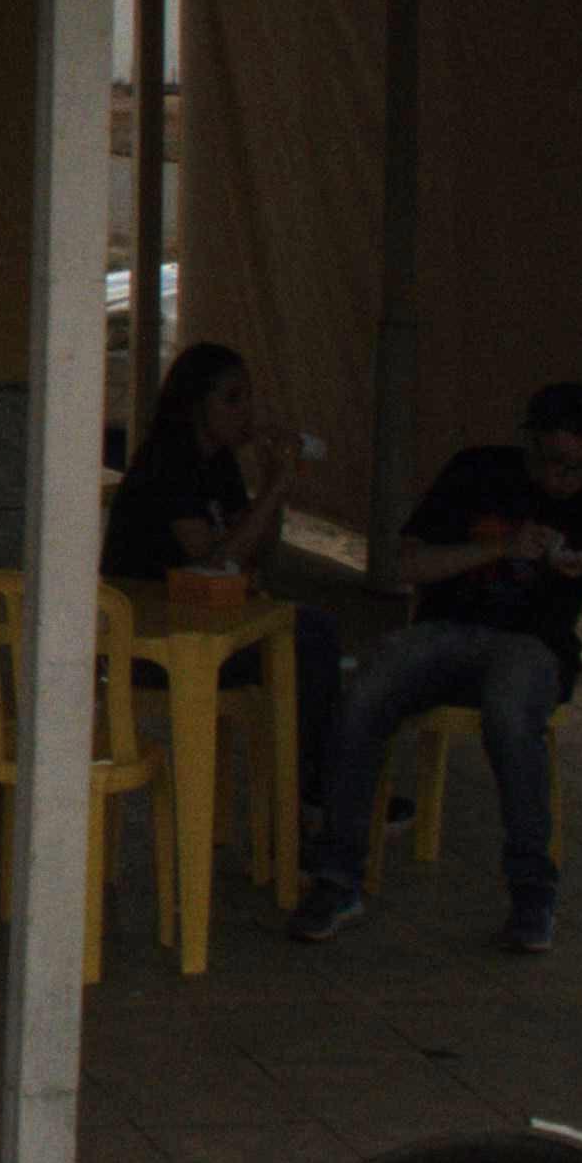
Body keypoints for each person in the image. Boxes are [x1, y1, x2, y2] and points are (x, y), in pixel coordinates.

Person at [289, 380, 582, 955]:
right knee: (365, 692)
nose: (562, 477)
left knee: (512, 714)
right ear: (530, 441)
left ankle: (533, 893)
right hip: (445, 630)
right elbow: (407, 565)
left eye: (579, 467)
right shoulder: (478, 472)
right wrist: (500, 548)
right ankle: (337, 876)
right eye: (552, 460)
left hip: (533, 646)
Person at [104, 342, 359, 820]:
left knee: (312, 632)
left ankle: (318, 783)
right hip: (154, 641)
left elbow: (256, 552)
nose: (247, 412)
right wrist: (274, 489)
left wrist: (273, 491)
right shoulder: (167, 462)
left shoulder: (218, 463)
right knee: (307, 643)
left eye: (249, 398)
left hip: (205, 622)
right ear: (196, 403)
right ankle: (315, 789)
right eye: (232, 398)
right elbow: (213, 560)